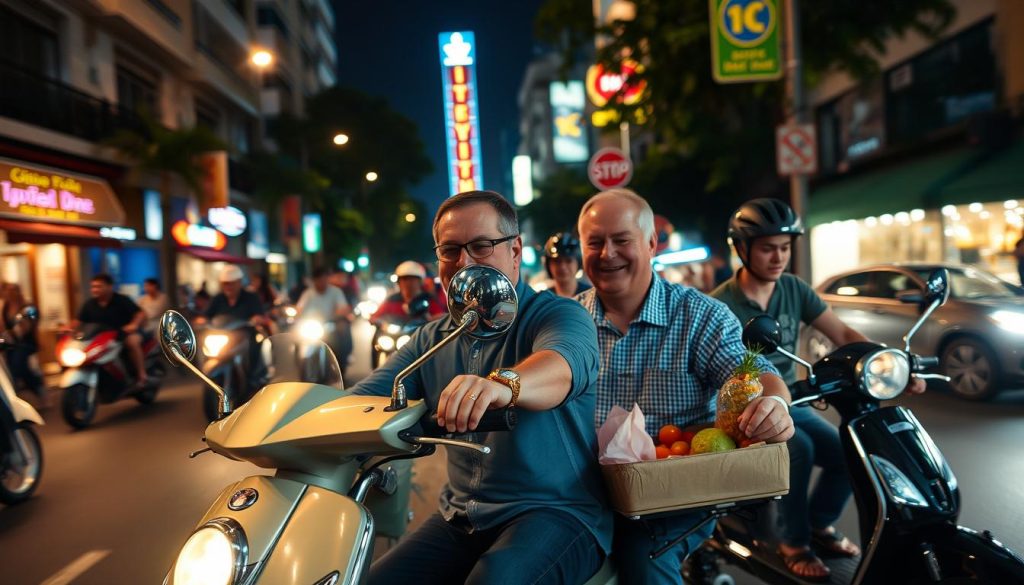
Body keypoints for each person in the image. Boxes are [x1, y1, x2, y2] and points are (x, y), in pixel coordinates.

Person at [352, 190, 611, 585]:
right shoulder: (431, 338)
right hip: (461, 516)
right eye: (450, 250)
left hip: (556, 512)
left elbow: (563, 365)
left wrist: (503, 385)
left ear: (515, 250)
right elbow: (365, 399)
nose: (464, 262)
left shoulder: (558, 313)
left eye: (481, 246)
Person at [575, 189, 795, 585]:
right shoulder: (568, 321)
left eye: (621, 240)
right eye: (595, 242)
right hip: (583, 491)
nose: (607, 254)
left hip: (673, 495)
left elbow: (750, 373)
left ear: (650, 243)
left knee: (645, 563)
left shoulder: (699, 314)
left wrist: (776, 404)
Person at [710, 197, 925, 581]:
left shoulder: (794, 289)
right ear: (742, 249)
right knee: (800, 450)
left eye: (785, 248)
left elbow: (842, 333)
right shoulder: (720, 304)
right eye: (767, 248)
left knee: (848, 450)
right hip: (748, 412)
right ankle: (793, 542)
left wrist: (893, 364)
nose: (778, 257)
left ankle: (819, 523)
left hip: (795, 399)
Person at [74, 274, 147, 387]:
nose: (95, 289)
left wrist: (133, 325)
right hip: (100, 338)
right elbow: (79, 321)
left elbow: (140, 314)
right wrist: (68, 328)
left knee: (132, 342)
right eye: (93, 287)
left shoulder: (122, 300)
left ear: (109, 287)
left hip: (123, 334)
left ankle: (141, 374)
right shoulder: (89, 304)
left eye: (99, 286)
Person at [296, 267, 353, 375]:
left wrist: (337, 315)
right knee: (295, 337)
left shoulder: (336, 292)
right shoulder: (308, 293)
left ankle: (342, 363)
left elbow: (343, 308)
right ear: (314, 280)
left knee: (343, 331)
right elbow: (299, 309)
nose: (321, 282)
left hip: (331, 325)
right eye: (318, 280)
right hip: (312, 326)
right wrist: (297, 317)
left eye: (324, 279)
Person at [0, 283, 45, 405]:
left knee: (17, 366)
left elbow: (26, 327)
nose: (9, 293)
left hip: (26, 344)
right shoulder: (5, 307)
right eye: (7, 291)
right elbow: (2, 326)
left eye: (12, 290)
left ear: (18, 292)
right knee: (10, 369)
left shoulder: (28, 307)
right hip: (10, 345)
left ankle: (35, 388)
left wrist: (9, 336)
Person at [369, 261, 446, 323]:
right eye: (404, 279)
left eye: (412, 279)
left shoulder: (428, 299)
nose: (408, 283)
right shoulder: (392, 300)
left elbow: (441, 316)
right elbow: (376, 316)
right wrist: (378, 321)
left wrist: (431, 319)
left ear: (420, 281)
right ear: (398, 282)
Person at [542, 232, 592, 298]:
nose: (562, 267)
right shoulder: (544, 299)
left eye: (568, 261)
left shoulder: (591, 296)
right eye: (557, 261)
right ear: (548, 265)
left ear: (578, 263)